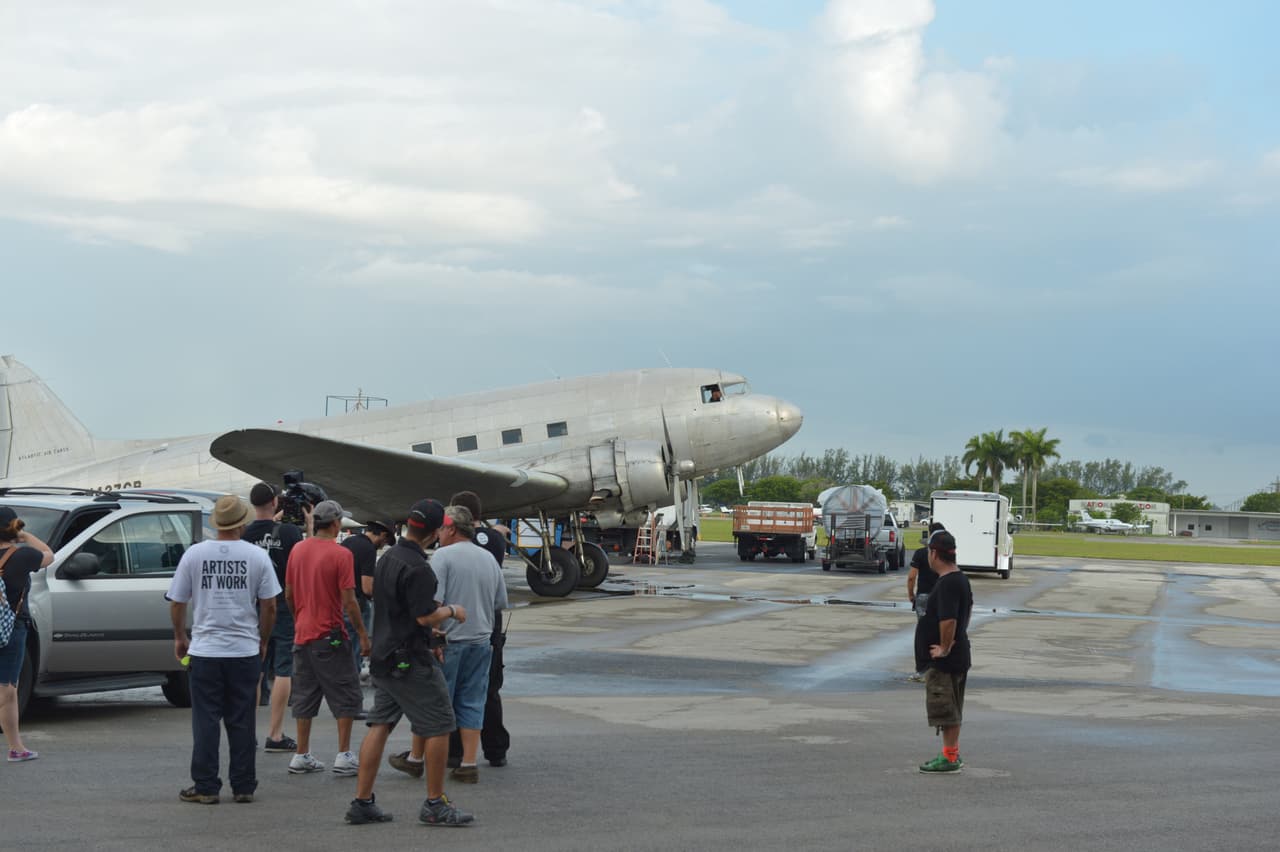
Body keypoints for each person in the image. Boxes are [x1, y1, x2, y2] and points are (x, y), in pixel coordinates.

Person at [346, 499, 474, 827]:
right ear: (433, 533)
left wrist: (433, 637)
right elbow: (423, 615)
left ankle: (362, 801)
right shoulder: (419, 568)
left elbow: (398, 607)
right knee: (441, 724)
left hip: (384, 655)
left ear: (408, 524)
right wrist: (451, 611)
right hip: (409, 660)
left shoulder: (388, 557)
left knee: (381, 724)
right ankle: (435, 803)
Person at [166, 495, 280, 803]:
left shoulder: (194, 554)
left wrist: (180, 636)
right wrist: (263, 639)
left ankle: (206, 786)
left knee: (206, 720)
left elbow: (177, 602)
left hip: (206, 650)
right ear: (242, 523)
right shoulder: (257, 556)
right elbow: (269, 605)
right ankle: (243, 785)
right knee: (242, 720)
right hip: (244, 649)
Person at [285, 499, 370, 777]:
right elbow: (349, 600)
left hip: (303, 633)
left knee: (304, 695)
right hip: (331, 633)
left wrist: (299, 617)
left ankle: (302, 753)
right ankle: (344, 754)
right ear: (334, 524)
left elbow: (288, 593)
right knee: (345, 692)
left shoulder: (297, 550)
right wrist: (362, 635)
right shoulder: (341, 554)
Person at [431, 506, 509, 784]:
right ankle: (468, 762)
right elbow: (500, 602)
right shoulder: (488, 559)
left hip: (450, 641)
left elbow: (434, 603)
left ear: (451, 528)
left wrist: (432, 636)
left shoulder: (442, 557)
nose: (437, 533)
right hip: (481, 641)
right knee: (473, 702)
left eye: (440, 528)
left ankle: (431, 761)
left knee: (440, 704)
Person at [242, 482, 310, 752]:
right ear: (275, 502)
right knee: (283, 669)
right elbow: (301, 565)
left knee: (255, 669)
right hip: (283, 604)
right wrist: (310, 527)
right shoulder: (291, 531)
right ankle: (276, 734)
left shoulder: (245, 534)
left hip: (251, 606)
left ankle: (247, 733)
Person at [913, 530, 974, 773]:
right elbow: (966, 614)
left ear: (934, 553)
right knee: (952, 708)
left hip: (947, 661)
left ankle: (949, 757)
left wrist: (945, 648)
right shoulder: (959, 578)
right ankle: (952, 754)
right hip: (958, 656)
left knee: (946, 708)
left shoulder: (948, 583)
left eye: (929, 550)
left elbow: (948, 620)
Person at [0, 506, 54, 763]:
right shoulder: (21, 556)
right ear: (14, 526)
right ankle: (15, 747)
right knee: (7, 691)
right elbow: (49, 555)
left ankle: (16, 746)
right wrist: (23, 535)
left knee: (7, 692)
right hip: (11, 628)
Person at [343, 518, 397, 679]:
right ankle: (352, 684)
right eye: (386, 540)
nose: (384, 544)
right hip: (357, 603)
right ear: (382, 534)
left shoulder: (348, 542)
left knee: (342, 647)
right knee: (356, 647)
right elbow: (366, 587)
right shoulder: (368, 549)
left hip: (339, 602)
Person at [906, 522, 946, 682]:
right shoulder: (944, 555)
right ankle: (938, 668)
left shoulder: (921, 553)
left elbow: (911, 576)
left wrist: (911, 595)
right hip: (940, 596)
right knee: (939, 632)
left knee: (923, 634)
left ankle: (923, 670)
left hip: (923, 597)